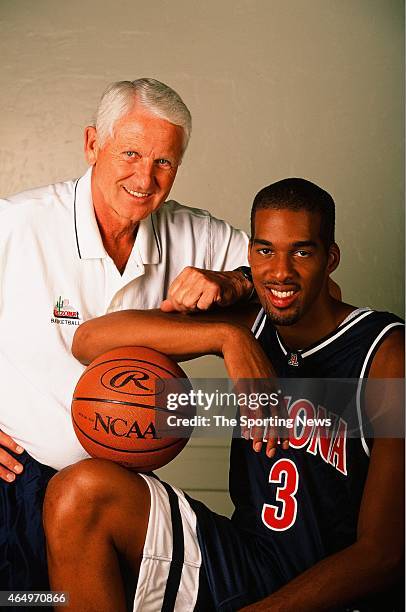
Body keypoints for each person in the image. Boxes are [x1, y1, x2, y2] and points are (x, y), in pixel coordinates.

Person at [45, 177, 404, 611]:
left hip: (335, 588)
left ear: (330, 259)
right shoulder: (251, 325)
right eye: (265, 251)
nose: (280, 271)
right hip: (247, 560)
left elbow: (384, 555)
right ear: (249, 255)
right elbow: (89, 340)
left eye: (302, 252)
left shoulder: (385, 352)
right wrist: (225, 339)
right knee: (80, 493)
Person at [0, 78, 254, 591]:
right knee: (21, 603)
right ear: (93, 143)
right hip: (14, 483)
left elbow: (302, 285)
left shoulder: (194, 233)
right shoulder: (16, 225)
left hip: (120, 500)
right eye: (131, 153)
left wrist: (233, 282)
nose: (146, 177)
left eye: (165, 162)